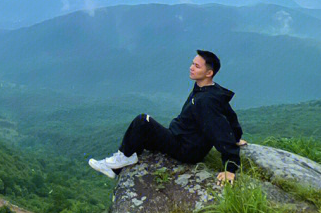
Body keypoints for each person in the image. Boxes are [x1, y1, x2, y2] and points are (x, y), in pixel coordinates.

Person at [88, 50, 247, 185]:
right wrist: (237, 136)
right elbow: (229, 113)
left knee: (143, 121)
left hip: (185, 149)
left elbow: (218, 128)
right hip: (180, 137)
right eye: (192, 63)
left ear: (209, 73)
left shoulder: (206, 101)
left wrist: (230, 167)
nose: (191, 68)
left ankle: (121, 160)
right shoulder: (207, 89)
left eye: (197, 66)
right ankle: (120, 162)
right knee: (142, 133)